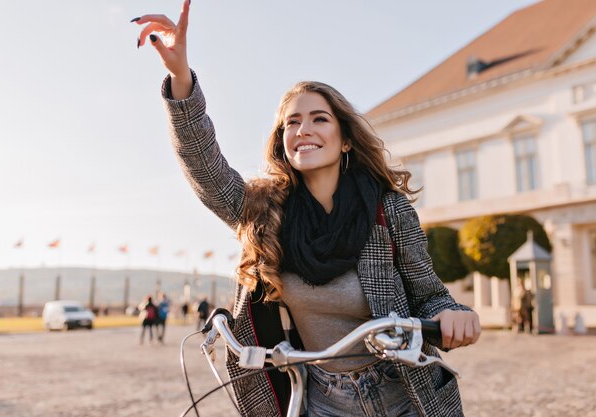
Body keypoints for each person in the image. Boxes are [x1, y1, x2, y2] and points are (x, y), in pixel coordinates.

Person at [133, 3, 481, 416]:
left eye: (319, 119)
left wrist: (455, 315)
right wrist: (180, 78)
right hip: (320, 398)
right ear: (283, 139)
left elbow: (430, 297)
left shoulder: (387, 212)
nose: (304, 130)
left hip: (403, 391)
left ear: (345, 139)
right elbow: (205, 168)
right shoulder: (266, 211)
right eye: (292, 123)